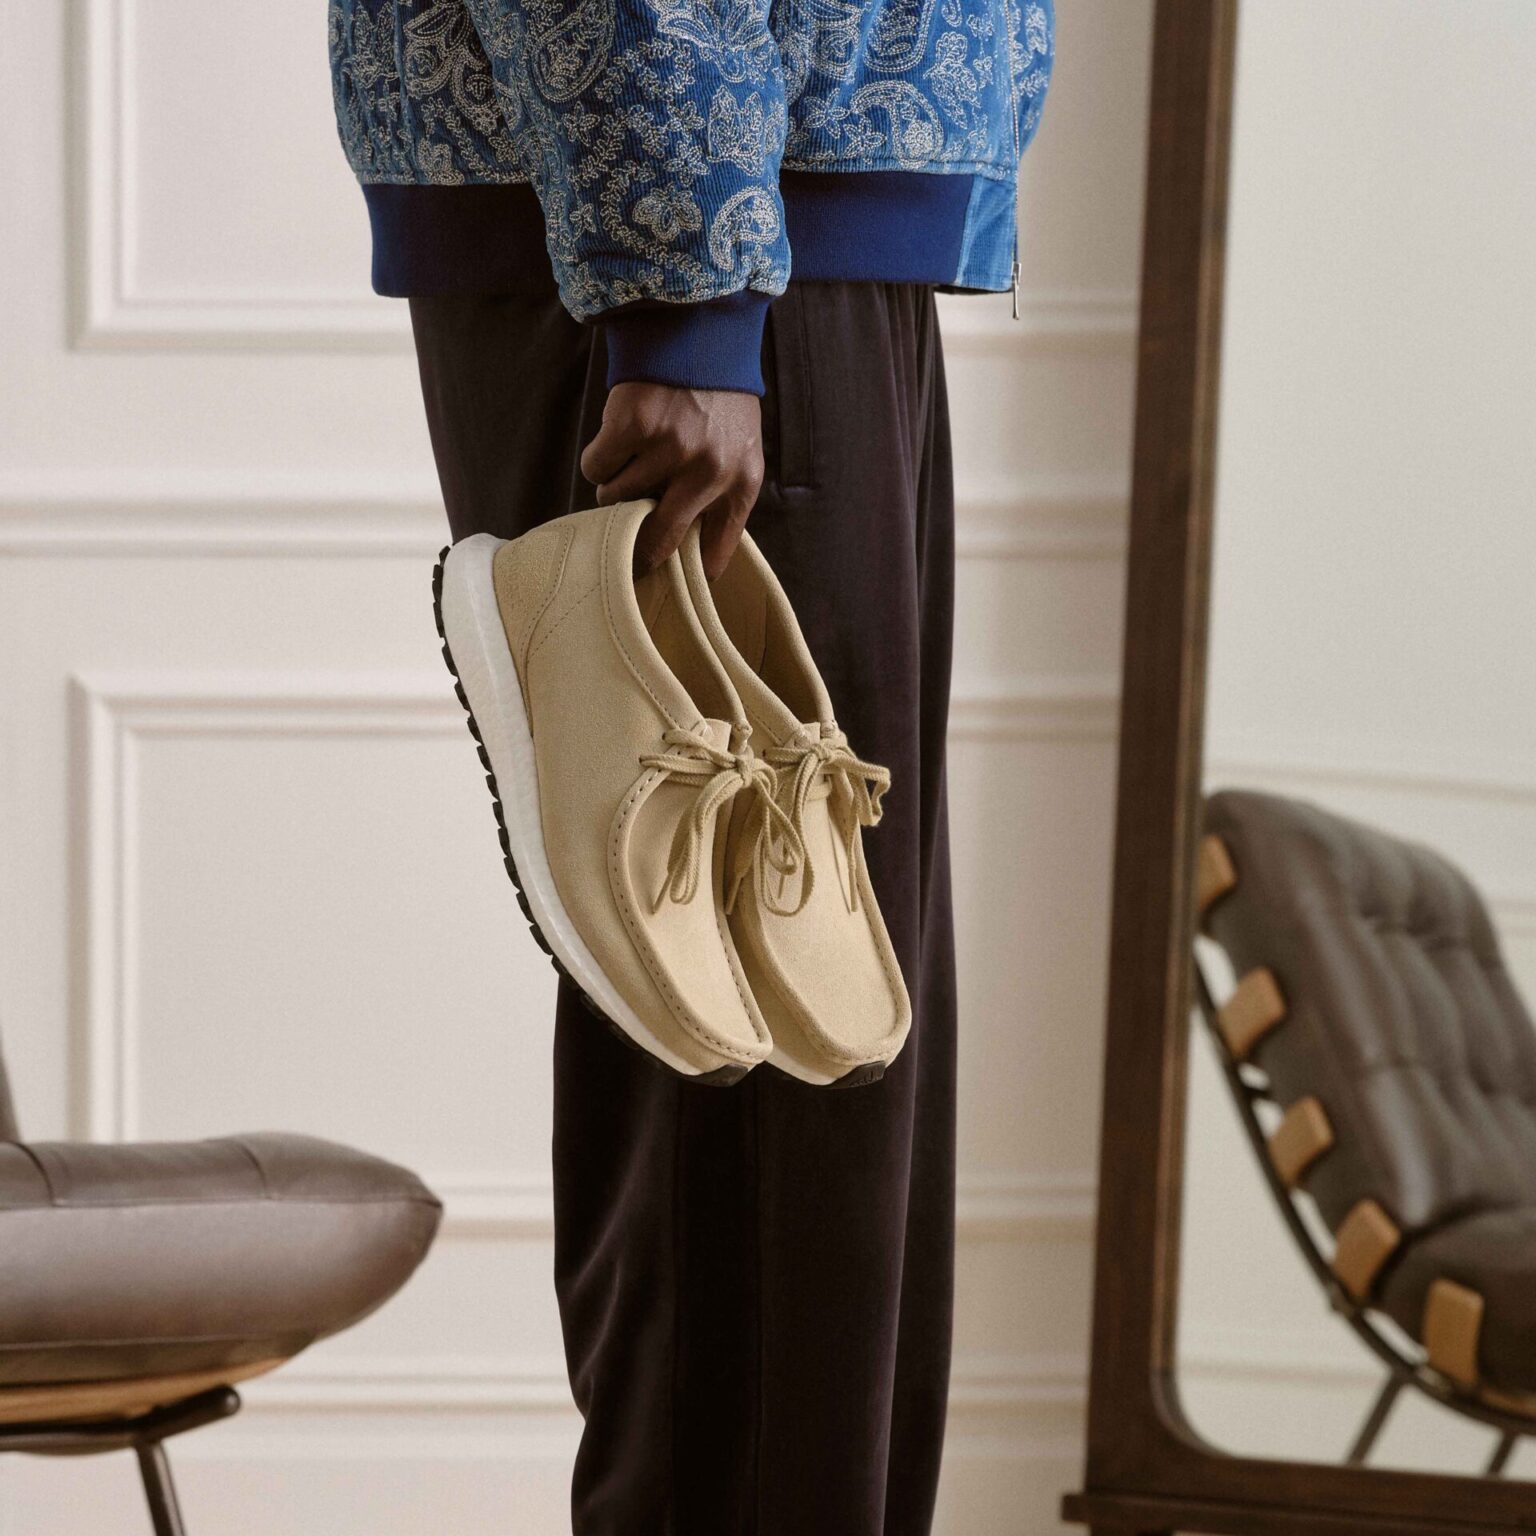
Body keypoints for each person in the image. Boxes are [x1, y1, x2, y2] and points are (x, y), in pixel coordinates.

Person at [328, 3, 1055, 1531]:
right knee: (759, 1104)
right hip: (708, 247)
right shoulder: (698, 287)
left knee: (818, 1091)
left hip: (765, 228)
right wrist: (688, 292)